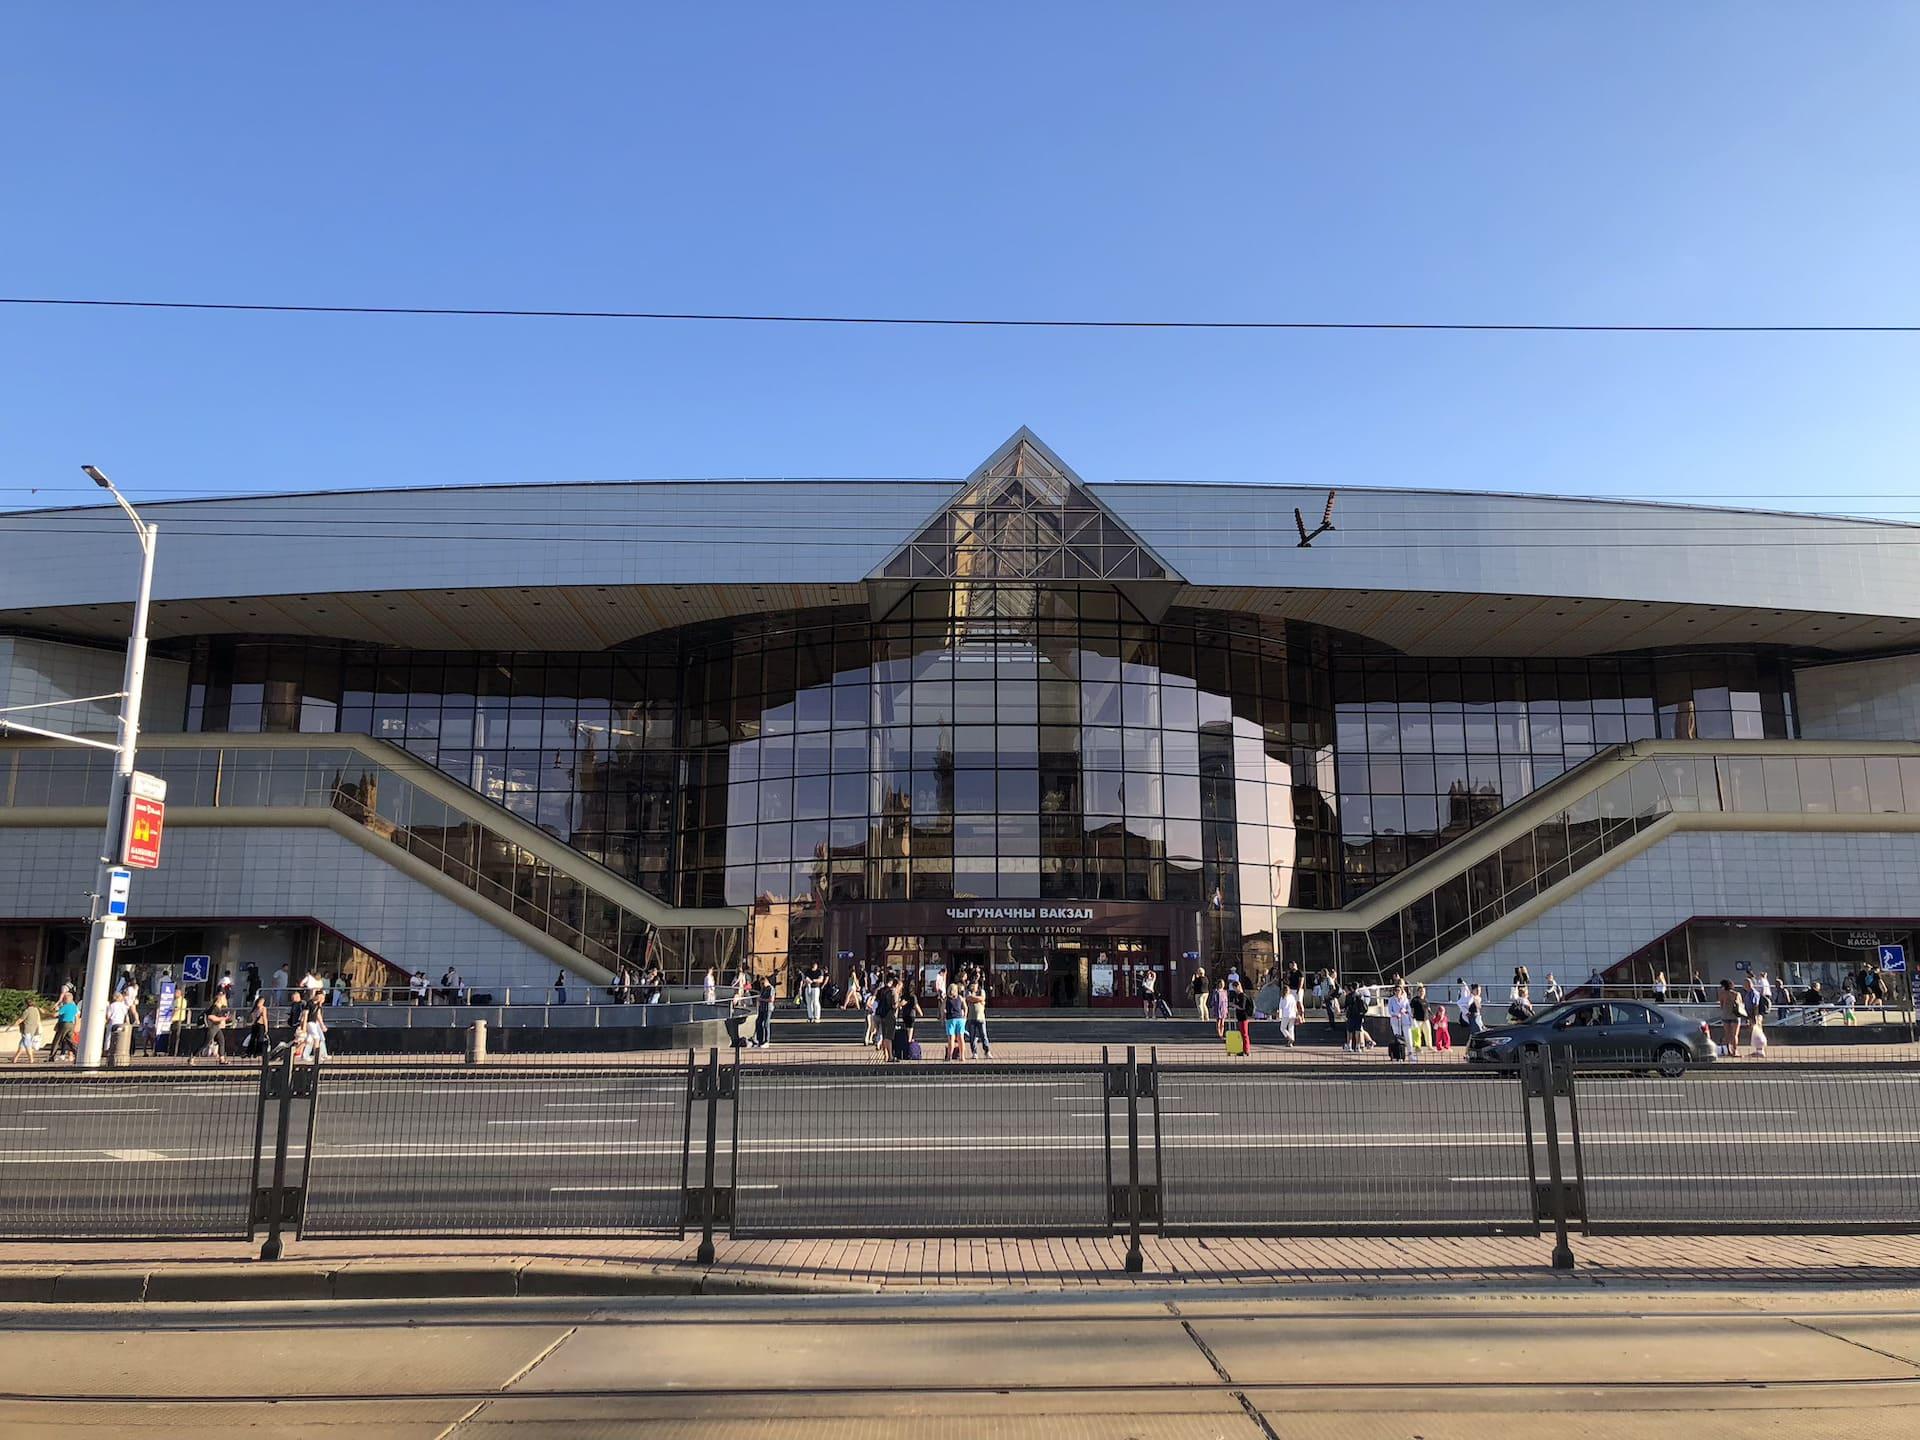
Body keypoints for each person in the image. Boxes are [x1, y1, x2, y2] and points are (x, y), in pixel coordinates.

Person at [964, 972, 992, 1059]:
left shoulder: (982, 991)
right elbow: (969, 998)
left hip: (980, 1017)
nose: (973, 986)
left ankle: (987, 1051)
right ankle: (974, 1052)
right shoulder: (967, 992)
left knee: (984, 1035)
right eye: (972, 985)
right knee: (972, 1037)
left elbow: (982, 998)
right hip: (971, 1018)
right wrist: (978, 1000)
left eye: (975, 985)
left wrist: (976, 999)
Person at [1386, 983, 1412, 1062]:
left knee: (1408, 1037)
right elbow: (1390, 1011)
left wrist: (1405, 1011)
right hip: (1395, 1021)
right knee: (1398, 1038)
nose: (1397, 992)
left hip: (1405, 1020)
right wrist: (1396, 1014)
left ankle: (1410, 1053)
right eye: (1396, 990)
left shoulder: (1405, 999)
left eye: (1399, 990)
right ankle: (1399, 1055)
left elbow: (1409, 1010)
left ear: (1401, 991)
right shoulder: (1391, 1000)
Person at [1717, 978, 1744, 1056]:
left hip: (1725, 1015)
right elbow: (1740, 1005)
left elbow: (1721, 1005)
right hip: (1734, 1015)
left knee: (1727, 1034)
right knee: (1734, 1035)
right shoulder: (1736, 994)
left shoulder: (1722, 994)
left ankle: (1728, 1050)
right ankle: (1735, 1051)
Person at [893, 982, 919, 1062]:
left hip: (905, 1015)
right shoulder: (913, 996)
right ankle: (909, 1051)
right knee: (910, 1032)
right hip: (911, 1015)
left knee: (907, 1030)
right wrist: (921, 1013)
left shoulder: (904, 996)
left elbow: (900, 1005)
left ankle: (906, 1047)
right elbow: (916, 1005)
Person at [942, 980, 967, 1061]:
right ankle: (962, 1056)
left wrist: (943, 1017)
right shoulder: (960, 997)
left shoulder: (946, 999)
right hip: (960, 1018)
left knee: (951, 1039)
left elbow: (942, 1009)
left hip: (950, 1019)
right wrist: (965, 1016)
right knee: (961, 1038)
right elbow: (965, 1007)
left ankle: (949, 1056)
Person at [51, 988, 79, 1061]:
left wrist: (54, 1011)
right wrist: (76, 1025)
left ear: (66, 999)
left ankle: (52, 1056)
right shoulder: (74, 1007)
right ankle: (77, 1052)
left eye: (63, 998)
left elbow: (55, 1014)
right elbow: (76, 1017)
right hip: (71, 1024)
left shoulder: (65, 1006)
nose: (62, 1000)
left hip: (64, 1024)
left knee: (57, 1040)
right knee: (69, 1040)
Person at [11, 998, 41, 1063]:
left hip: (27, 1031)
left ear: (26, 1004)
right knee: (22, 1045)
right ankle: (15, 1059)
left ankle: (31, 1059)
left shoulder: (27, 1011)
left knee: (27, 1045)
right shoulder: (36, 1010)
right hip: (33, 1030)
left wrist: (12, 1026)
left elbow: (20, 1019)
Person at [1342, 983, 1368, 1053]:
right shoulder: (1360, 996)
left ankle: (1349, 1046)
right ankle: (1357, 1046)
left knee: (1350, 1031)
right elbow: (1364, 1006)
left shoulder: (1348, 996)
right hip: (1359, 1015)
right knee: (1358, 1031)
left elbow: (1346, 1006)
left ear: (1352, 988)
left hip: (1351, 1015)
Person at [245, 990, 270, 1057]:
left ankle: (249, 1052)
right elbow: (264, 1018)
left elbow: (252, 1018)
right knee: (260, 1039)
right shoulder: (263, 1009)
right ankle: (258, 1052)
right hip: (260, 1024)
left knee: (253, 1038)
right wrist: (266, 1027)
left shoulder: (254, 1009)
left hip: (254, 1024)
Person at [754, 973, 775, 1049]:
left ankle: (766, 1041)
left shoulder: (770, 988)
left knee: (766, 1024)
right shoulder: (763, 988)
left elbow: (771, 999)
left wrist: (761, 999)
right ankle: (760, 1040)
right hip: (762, 1008)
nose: (762, 985)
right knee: (758, 1022)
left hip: (767, 1008)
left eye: (762, 983)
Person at [1275, 983, 1299, 1047]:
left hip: (1286, 1014)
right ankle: (1291, 1041)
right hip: (1292, 1014)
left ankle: (1289, 1037)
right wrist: (1297, 1014)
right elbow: (1295, 1006)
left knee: (1282, 1028)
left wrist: (1279, 1015)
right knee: (1291, 1028)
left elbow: (1280, 1007)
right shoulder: (1292, 997)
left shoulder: (1282, 997)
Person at [1409, 984, 1429, 1053]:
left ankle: (1429, 1046)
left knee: (1428, 1033)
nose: (1422, 992)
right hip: (1417, 1019)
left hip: (1425, 1019)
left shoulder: (1425, 1000)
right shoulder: (1415, 1000)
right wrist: (1412, 1017)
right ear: (1418, 992)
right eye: (1420, 991)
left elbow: (1428, 1009)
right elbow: (1411, 1009)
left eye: (1423, 991)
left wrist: (1432, 1015)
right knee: (1417, 1034)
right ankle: (1417, 1047)